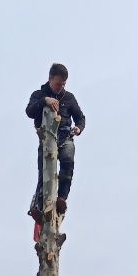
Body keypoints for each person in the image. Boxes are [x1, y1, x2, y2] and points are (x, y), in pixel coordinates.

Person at [25, 63, 85, 222]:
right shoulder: (39, 94)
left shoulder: (69, 98)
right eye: (58, 84)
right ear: (50, 79)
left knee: (67, 162)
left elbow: (80, 117)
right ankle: (38, 207)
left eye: (63, 84)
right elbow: (29, 111)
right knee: (44, 172)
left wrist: (78, 128)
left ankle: (62, 198)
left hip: (65, 134)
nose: (60, 87)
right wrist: (45, 100)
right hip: (46, 137)